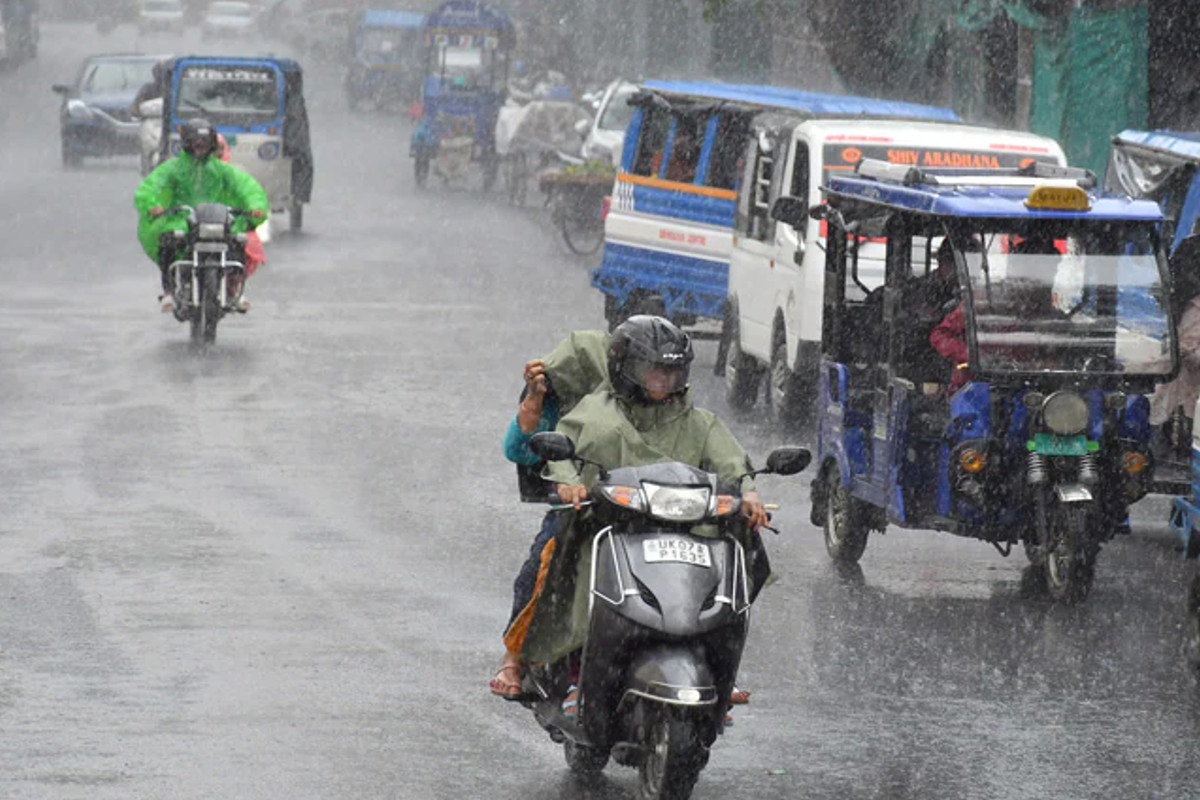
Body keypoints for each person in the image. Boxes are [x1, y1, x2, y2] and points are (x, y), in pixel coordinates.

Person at [504, 316, 768, 717]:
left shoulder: (698, 420)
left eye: (674, 372)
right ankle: (568, 671)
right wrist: (569, 484)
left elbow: (731, 462)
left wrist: (749, 493)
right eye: (656, 372)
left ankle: (718, 671)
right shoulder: (595, 413)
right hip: (609, 526)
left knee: (732, 559)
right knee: (562, 568)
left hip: (682, 527)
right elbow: (561, 455)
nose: (667, 381)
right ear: (627, 369)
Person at [133, 118, 269, 313]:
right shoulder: (173, 168)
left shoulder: (221, 169)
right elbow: (150, 187)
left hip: (217, 217)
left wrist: (255, 206)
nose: (200, 148)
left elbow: (247, 187)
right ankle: (169, 291)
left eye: (204, 144)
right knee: (168, 240)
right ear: (187, 144)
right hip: (181, 218)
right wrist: (152, 205)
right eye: (196, 143)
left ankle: (233, 288)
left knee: (238, 241)